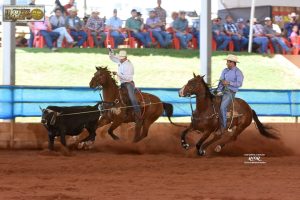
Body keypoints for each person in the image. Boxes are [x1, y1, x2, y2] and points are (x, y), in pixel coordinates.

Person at [109, 49, 141, 123]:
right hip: (122, 83)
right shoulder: (121, 61)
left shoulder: (129, 65)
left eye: (121, 58)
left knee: (131, 97)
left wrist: (117, 74)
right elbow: (112, 58)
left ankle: (138, 113)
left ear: (125, 58)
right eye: (119, 58)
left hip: (128, 83)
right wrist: (111, 52)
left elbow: (128, 78)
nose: (119, 59)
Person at [216, 54, 244, 133]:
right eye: (227, 62)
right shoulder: (224, 70)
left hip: (230, 92)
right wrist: (218, 90)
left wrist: (229, 82)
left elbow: (239, 84)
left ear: (233, 63)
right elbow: (221, 80)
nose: (226, 63)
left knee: (222, 107)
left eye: (228, 62)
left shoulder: (238, 72)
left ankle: (223, 127)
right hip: (222, 90)